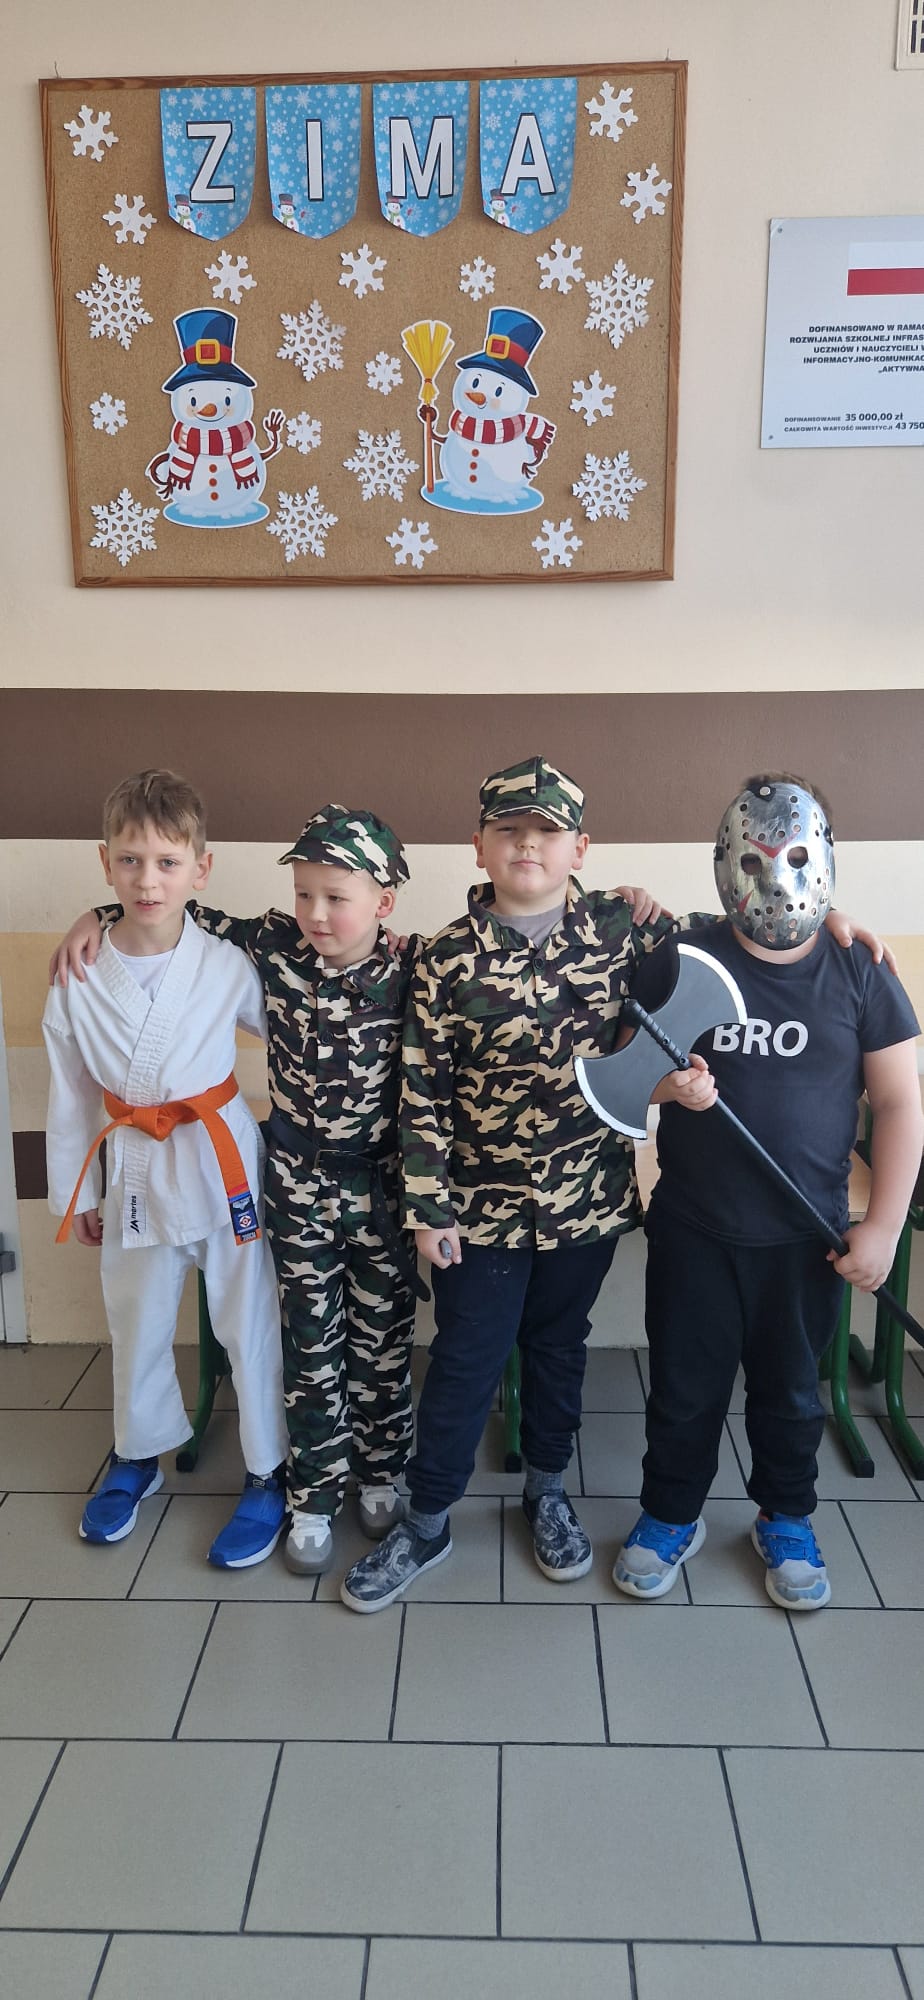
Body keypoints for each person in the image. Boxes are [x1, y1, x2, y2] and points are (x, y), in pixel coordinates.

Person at [339, 755, 693, 1612]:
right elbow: (420, 1090)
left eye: (546, 831)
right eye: (509, 830)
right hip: (476, 1212)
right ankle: (427, 1520)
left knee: (559, 1350)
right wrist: (428, 1211)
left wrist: (833, 921)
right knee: (465, 1359)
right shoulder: (444, 958)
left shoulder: (621, 930)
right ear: (479, 846)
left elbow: (734, 951)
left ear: (580, 848)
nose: (527, 844)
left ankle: (547, 1491)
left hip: (585, 1200)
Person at [52, 803, 421, 1579]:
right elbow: (166, 911)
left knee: (323, 1332)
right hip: (222, 1172)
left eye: (337, 896)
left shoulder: (400, 965)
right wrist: (99, 912)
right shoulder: (264, 948)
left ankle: (327, 1470)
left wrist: (627, 906)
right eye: (305, 893)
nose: (316, 911)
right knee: (225, 1330)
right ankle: (207, 1469)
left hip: (319, 1176)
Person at [610, 773, 922, 1612]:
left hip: (806, 1236)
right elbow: (623, 1076)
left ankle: (786, 1516)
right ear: (726, 860)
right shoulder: (684, 957)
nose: (775, 877)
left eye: (793, 857)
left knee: (790, 1394)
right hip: (695, 1227)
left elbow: (899, 1103)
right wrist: (668, 1088)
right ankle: (670, 1513)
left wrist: (885, 1226)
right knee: (684, 1390)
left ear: (823, 857)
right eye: (754, 859)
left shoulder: (859, 967)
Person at [42, 770, 288, 1567]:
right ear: (105, 864)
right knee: (137, 1317)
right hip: (134, 1167)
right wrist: (75, 1191)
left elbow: (292, 1038)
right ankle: (136, 1454)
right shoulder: (78, 975)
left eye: (167, 863)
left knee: (249, 1319)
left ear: (200, 869)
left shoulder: (226, 963)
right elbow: (71, 1094)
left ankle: (268, 1470)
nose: (148, 880)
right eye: (130, 861)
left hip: (222, 1164)